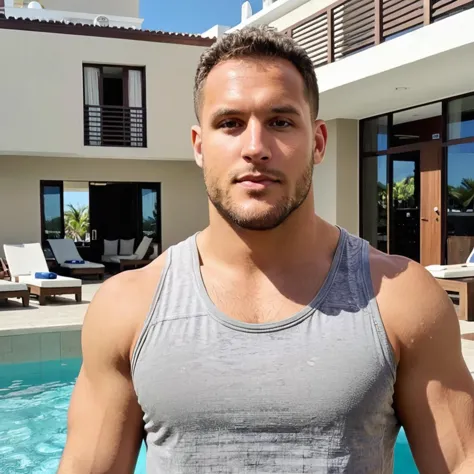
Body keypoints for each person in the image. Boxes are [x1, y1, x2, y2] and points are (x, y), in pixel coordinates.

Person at [58, 26, 474, 473]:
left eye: (280, 122)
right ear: (200, 146)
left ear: (317, 142)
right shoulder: (127, 306)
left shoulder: (401, 297)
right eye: (230, 123)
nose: (255, 148)